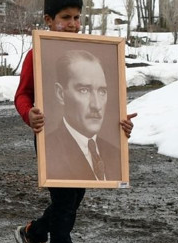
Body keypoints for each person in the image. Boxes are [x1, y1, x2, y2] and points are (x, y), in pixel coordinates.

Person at [13, 0, 136, 243]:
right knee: (66, 201)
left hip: (87, 144)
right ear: (48, 19)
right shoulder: (38, 53)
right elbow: (22, 95)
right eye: (65, 18)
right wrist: (29, 114)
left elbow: (111, 100)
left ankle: (33, 233)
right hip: (49, 137)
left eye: (77, 17)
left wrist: (120, 127)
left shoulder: (94, 51)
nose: (72, 24)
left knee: (71, 201)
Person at [45, 50, 121, 182]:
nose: (96, 105)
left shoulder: (115, 153)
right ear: (60, 94)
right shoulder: (49, 150)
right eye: (84, 90)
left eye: (102, 91)